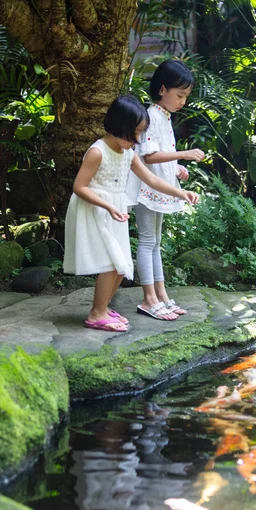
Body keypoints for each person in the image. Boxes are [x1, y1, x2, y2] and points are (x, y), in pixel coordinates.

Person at [63, 95, 198, 332]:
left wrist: (180, 193)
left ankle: (103, 308)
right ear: (118, 127)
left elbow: (152, 179)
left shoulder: (128, 153)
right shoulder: (98, 151)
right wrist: (108, 206)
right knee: (111, 264)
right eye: (134, 133)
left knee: (122, 265)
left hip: (116, 210)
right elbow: (79, 187)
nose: (137, 140)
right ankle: (96, 314)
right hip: (95, 209)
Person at [127, 59, 205, 321]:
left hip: (158, 186)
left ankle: (160, 295)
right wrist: (183, 154)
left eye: (186, 96)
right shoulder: (151, 115)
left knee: (155, 243)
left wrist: (176, 168)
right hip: (147, 188)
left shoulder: (163, 116)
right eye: (179, 95)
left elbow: (160, 155)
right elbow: (148, 155)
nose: (183, 101)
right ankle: (149, 298)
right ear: (163, 90)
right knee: (148, 241)